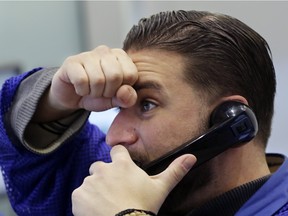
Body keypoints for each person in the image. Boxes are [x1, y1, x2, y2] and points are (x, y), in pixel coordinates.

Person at [0, 9, 287, 216]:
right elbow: (38, 168)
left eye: (147, 105)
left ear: (231, 121)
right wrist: (57, 98)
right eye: (119, 107)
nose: (113, 137)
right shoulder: (131, 183)